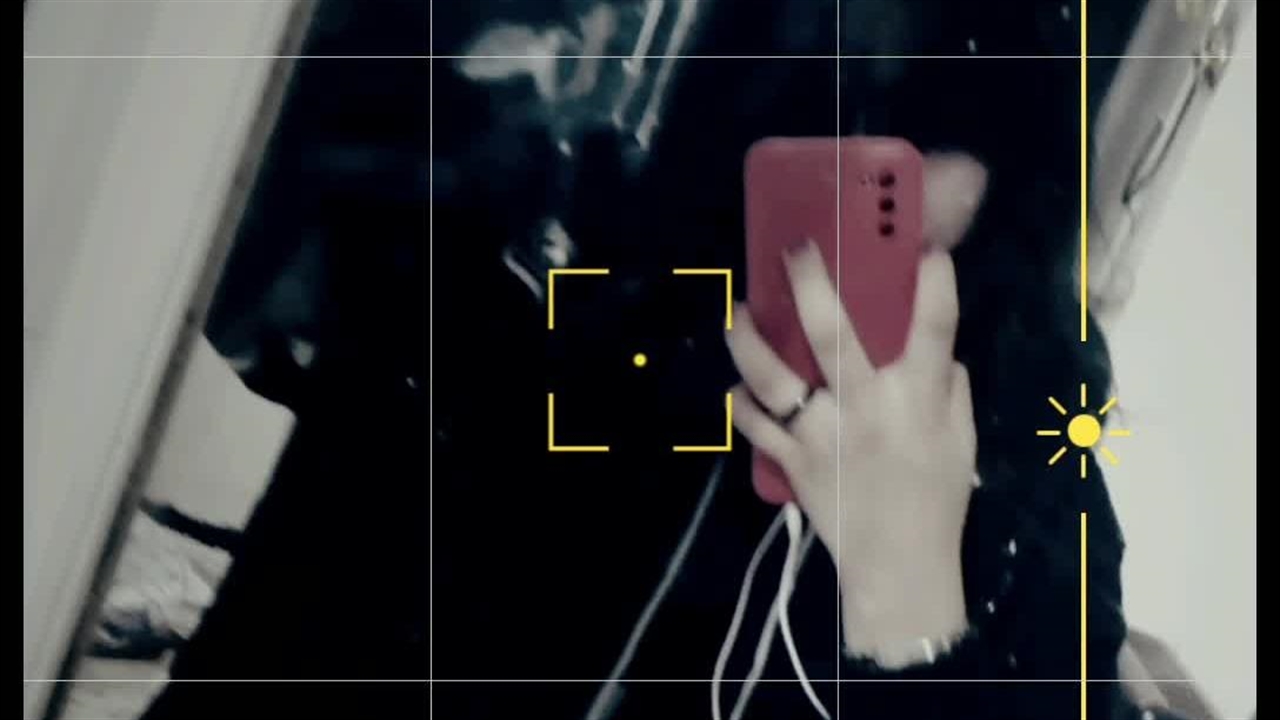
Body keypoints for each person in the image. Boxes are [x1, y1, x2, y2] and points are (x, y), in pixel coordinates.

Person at [142, 1, 1198, 719]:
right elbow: (251, 301)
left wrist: (913, 608)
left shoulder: (1028, 416)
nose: (872, 185)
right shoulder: (560, 242)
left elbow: (1058, 672)